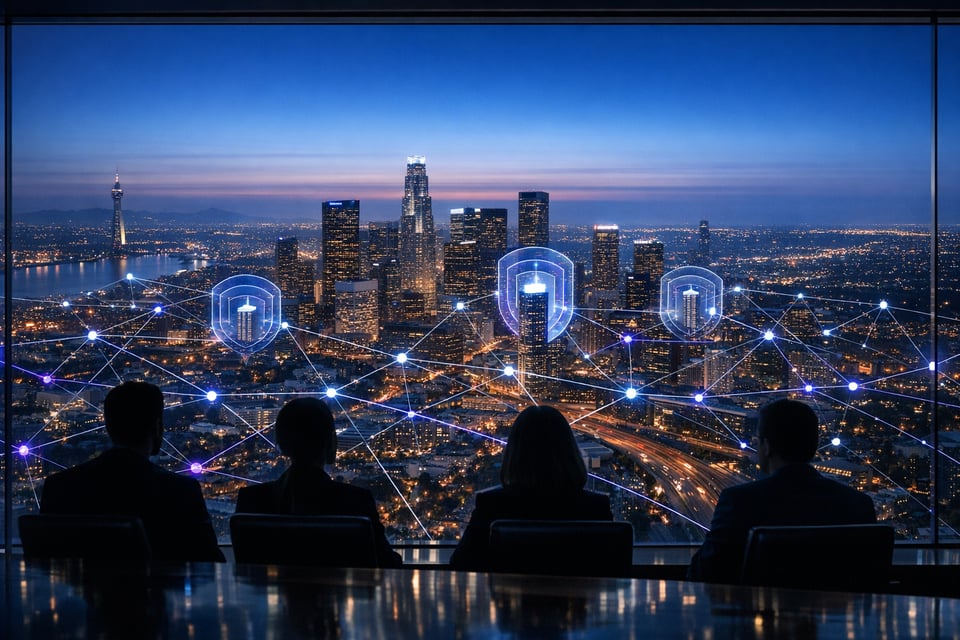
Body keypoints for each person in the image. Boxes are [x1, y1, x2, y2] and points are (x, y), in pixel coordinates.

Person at [688, 398, 877, 583]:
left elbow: (704, 571)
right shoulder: (859, 505)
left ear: (767, 446)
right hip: (832, 613)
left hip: (758, 611)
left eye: (757, 441)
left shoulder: (739, 502)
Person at [41, 381, 224, 563]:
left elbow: (45, 565)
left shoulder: (60, 487)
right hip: (156, 590)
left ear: (108, 426)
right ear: (157, 427)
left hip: (80, 591)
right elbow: (211, 563)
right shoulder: (180, 491)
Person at [235, 397, 402, 568]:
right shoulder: (356, 501)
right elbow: (386, 563)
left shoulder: (252, 500)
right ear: (330, 443)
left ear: (282, 444)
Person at [449, 404, 612, 571]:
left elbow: (461, 564)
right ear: (570, 452)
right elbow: (611, 570)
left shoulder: (492, 506)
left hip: (509, 595)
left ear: (514, 453)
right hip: (575, 595)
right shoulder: (596, 508)